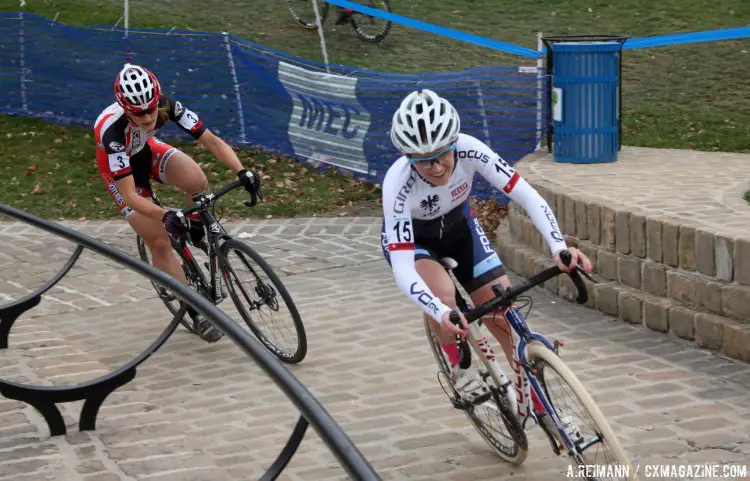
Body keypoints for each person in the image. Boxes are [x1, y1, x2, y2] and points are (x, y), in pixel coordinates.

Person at [380, 89, 593, 420]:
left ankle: (540, 405)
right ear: (409, 159)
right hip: (418, 244)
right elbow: (403, 269)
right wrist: (439, 310)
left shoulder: (470, 150)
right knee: (444, 294)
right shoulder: (397, 182)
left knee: (501, 310)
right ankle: (457, 366)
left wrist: (558, 246)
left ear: (454, 144)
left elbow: (527, 195)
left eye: (442, 155)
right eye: (423, 161)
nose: (436, 168)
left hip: (459, 230)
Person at [94, 63, 260, 343]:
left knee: (197, 180)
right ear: (125, 108)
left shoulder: (167, 106)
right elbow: (131, 194)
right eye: (139, 113)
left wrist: (242, 171)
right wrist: (166, 215)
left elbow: (211, 141)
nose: (148, 117)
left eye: (151, 108)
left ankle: (195, 232)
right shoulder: (110, 131)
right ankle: (194, 309)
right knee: (159, 239)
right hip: (122, 177)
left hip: (146, 152)